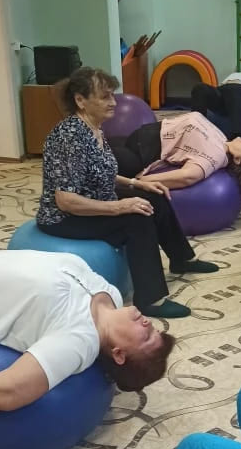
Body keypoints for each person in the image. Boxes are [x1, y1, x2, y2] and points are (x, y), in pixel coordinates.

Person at [37, 67, 219, 322]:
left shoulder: (94, 128)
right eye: (104, 97)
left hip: (94, 201)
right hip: (65, 218)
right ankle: (151, 299)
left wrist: (136, 184)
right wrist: (120, 207)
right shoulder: (69, 136)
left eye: (112, 95)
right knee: (137, 217)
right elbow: (65, 200)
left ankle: (182, 259)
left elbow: (101, 172)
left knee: (153, 196)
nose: (113, 102)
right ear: (80, 100)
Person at [0, 249, 175, 410]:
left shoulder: (77, 340)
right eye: (156, 330)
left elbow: (2, 394)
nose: (149, 324)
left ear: (119, 354)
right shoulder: (113, 296)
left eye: (146, 337)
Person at [109, 111, 241, 199]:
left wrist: (140, 182)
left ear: (237, 159)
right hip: (142, 138)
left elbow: (188, 176)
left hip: (142, 152)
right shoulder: (223, 141)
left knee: (97, 156)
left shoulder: (216, 157)